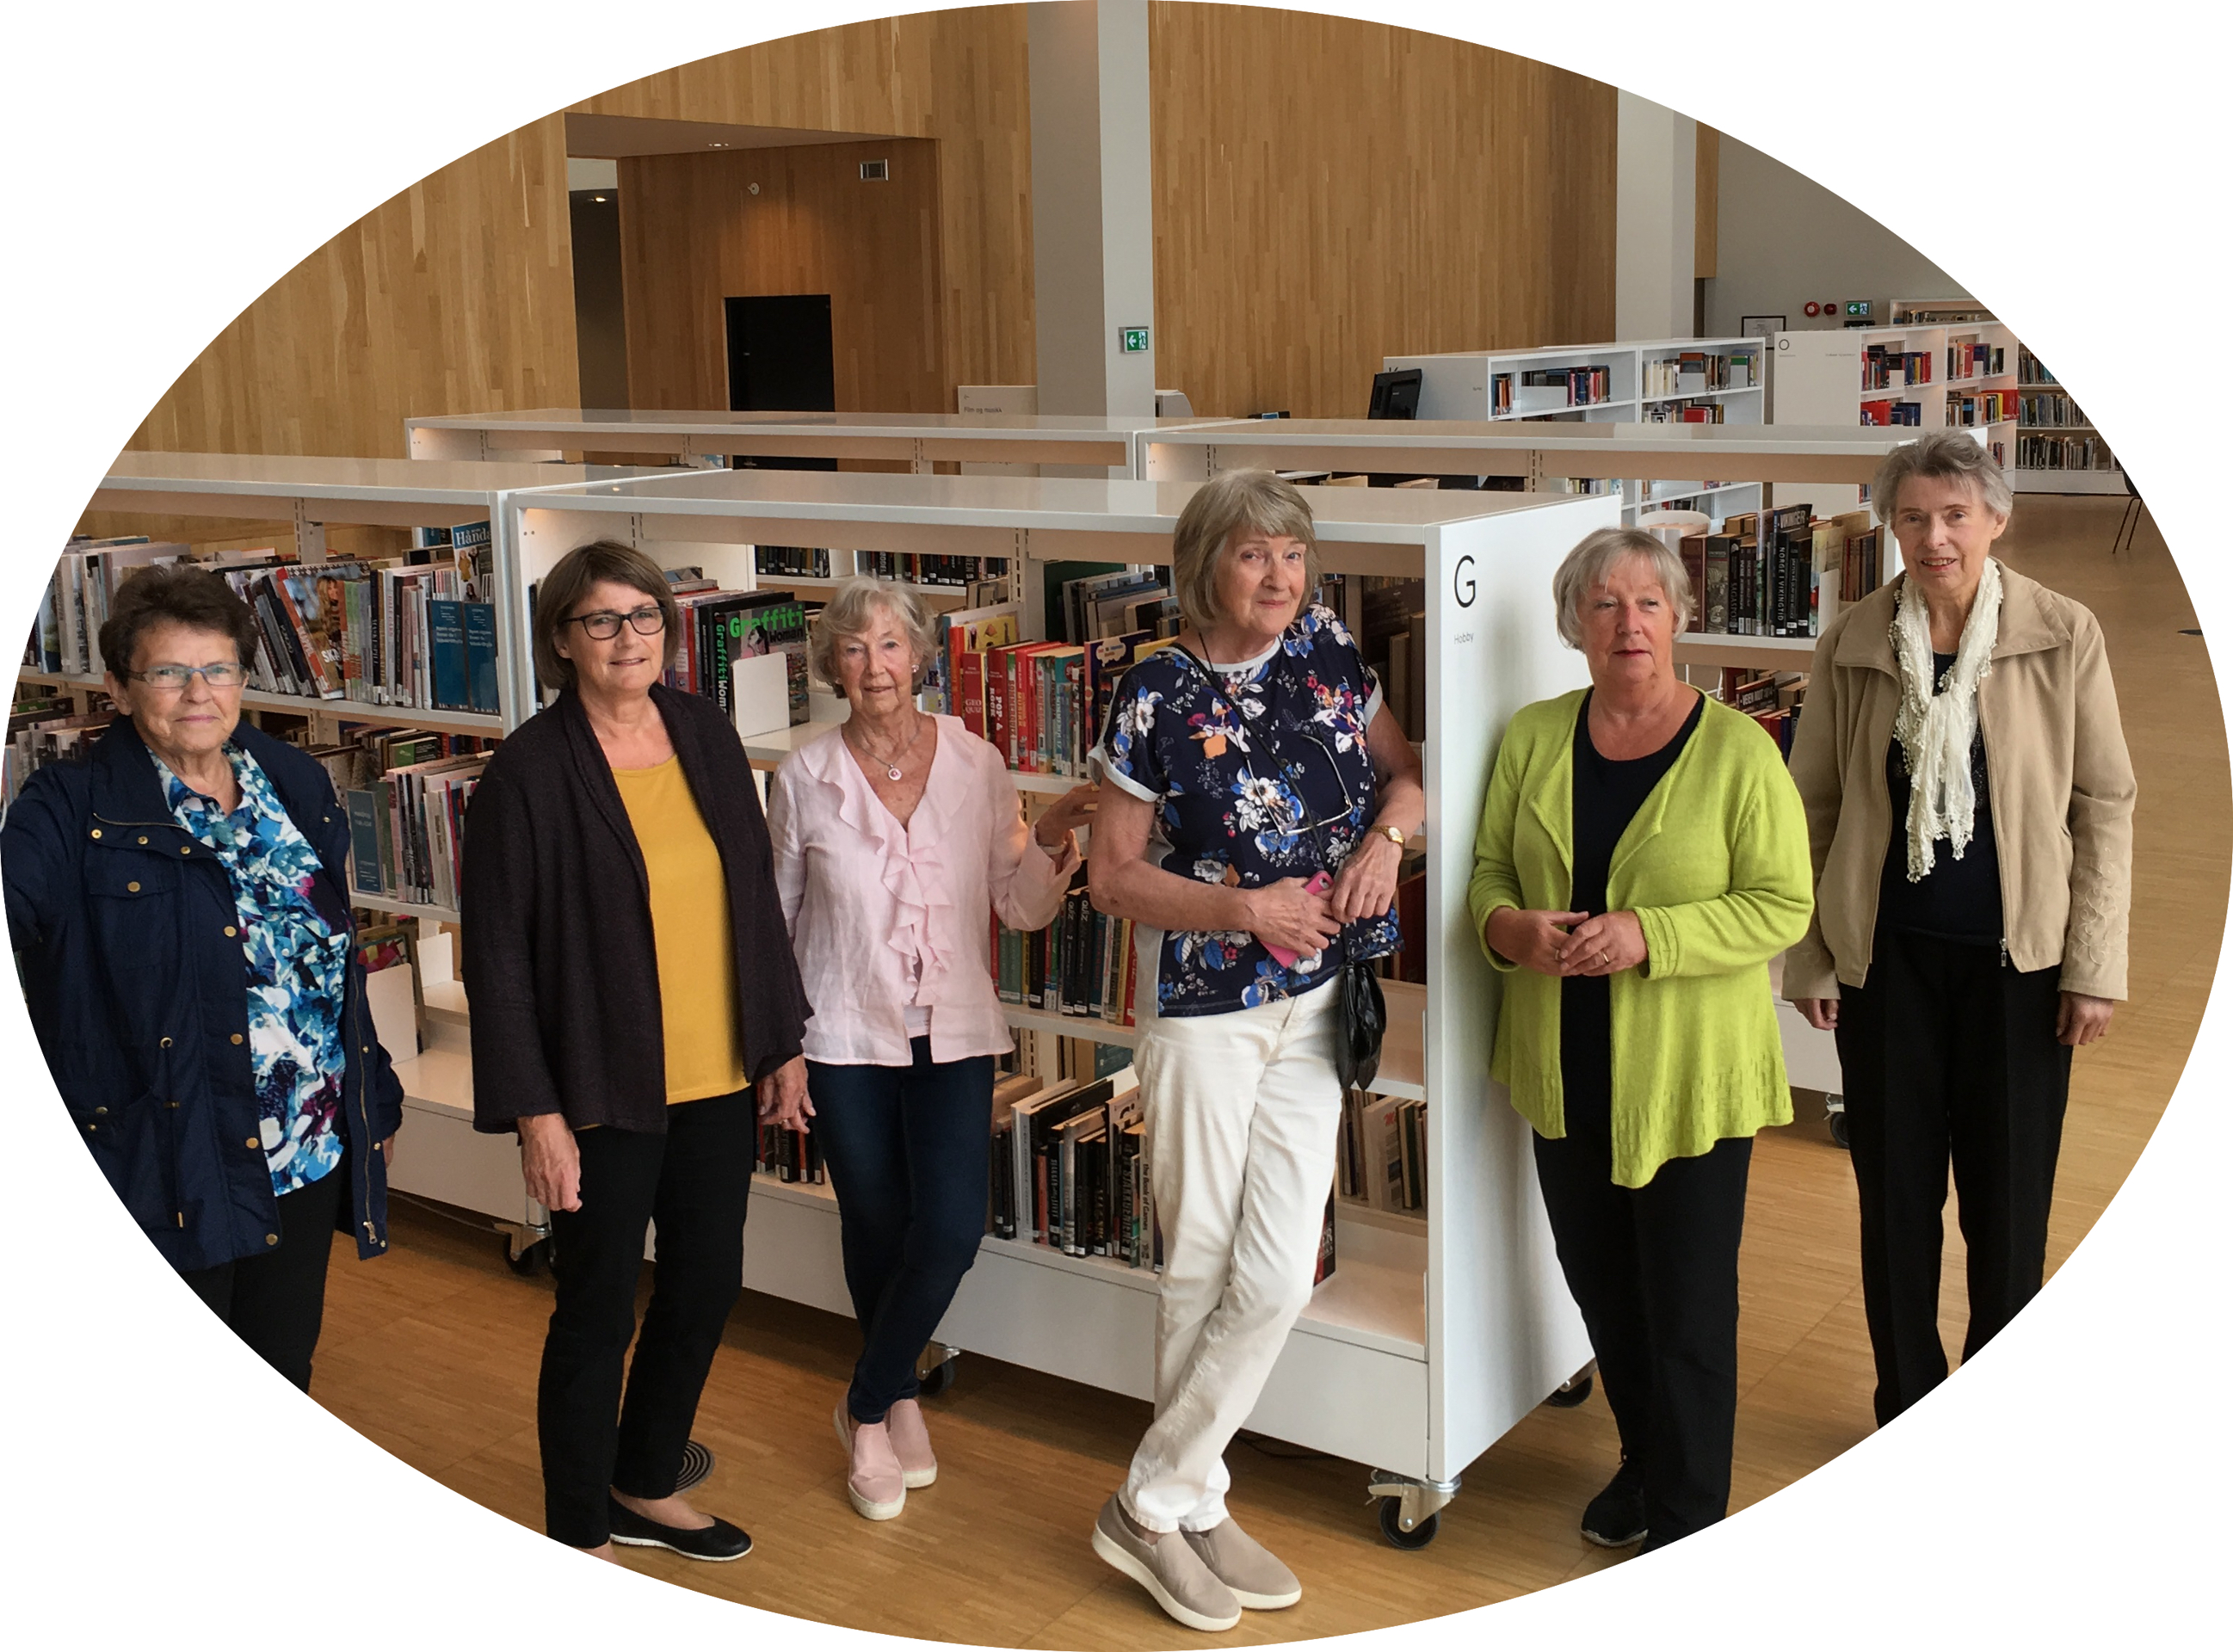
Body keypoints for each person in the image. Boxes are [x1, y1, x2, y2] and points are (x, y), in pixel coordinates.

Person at [1085, 469, 1424, 1631]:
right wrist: (1245, 910)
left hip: (1318, 1003)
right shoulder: (1152, 694)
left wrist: (1385, 842)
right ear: (1204, 567)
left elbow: (1407, 776)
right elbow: (1112, 877)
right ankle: (1187, 1505)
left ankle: (1156, 1498)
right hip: (1206, 1011)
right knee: (1198, 1264)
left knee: (1280, 1272)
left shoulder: (1327, 652)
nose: (1280, 576)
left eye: (1291, 553)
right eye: (1251, 554)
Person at [461, 539, 813, 1563]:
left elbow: (753, 897)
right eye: (602, 620)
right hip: (598, 1091)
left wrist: (780, 1042)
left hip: (716, 1076)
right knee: (597, 1309)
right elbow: (497, 959)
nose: (628, 638)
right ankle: (579, 1532)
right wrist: (537, 1116)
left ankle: (644, 1478)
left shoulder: (704, 731)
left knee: (705, 1288)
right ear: (563, 640)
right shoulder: (528, 771)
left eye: (645, 615)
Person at [1465, 526, 1811, 1555]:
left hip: (1689, 1075)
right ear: (1574, 623)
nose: (1629, 624)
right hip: (1563, 1068)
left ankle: (1691, 1516)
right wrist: (1508, 929)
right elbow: (1489, 872)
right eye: (1606, 604)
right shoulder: (1534, 737)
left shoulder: (1741, 751)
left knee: (1689, 1309)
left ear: (1679, 619)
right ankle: (1644, 1459)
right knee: (1607, 1293)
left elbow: (1781, 905)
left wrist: (1649, 935)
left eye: (1649, 603)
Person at [1785, 429, 2135, 1428]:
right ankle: (1907, 1406)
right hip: (1886, 964)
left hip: (2020, 968)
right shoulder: (1853, 639)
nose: (1934, 538)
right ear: (1891, 528)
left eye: (1954, 516)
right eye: (1913, 518)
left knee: (2008, 1205)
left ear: (1996, 520)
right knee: (1896, 1207)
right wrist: (1813, 956)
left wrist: (2094, 965)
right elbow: (1813, 803)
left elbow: (2104, 803)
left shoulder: (2062, 632)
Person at [3, 564, 404, 1391]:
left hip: (304, 1150)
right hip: (163, 1159)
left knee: (282, 1371)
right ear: (119, 689)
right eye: (168, 672)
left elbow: (328, 963)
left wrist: (375, 1096)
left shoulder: (291, 780)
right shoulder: (66, 809)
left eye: (217, 668)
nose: (198, 693)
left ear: (243, 679)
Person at [766, 577, 1095, 1522]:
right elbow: (775, 923)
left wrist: (1053, 838)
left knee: (949, 1231)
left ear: (918, 656)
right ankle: (896, 1402)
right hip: (841, 1032)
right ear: (832, 666)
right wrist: (780, 1051)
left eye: (890, 645)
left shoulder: (976, 762)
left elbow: (1017, 908)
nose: (874, 666)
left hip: (952, 1031)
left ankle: (865, 1402)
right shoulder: (803, 777)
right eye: (854, 648)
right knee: (874, 1225)